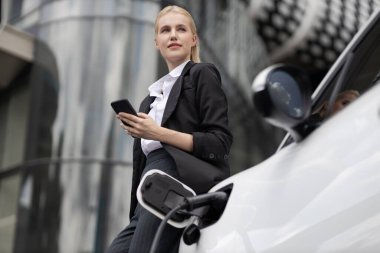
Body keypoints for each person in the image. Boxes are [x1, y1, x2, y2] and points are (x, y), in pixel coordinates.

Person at [106, 5, 233, 253]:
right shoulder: (150, 101)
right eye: (165, 30)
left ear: (193, 39)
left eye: (181, 29)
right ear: (157, 42)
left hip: (175, 183)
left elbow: (220, 144)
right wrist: (142, 132)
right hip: (147, 192)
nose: (173, 35)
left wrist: (157, 133)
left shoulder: (202, 74)